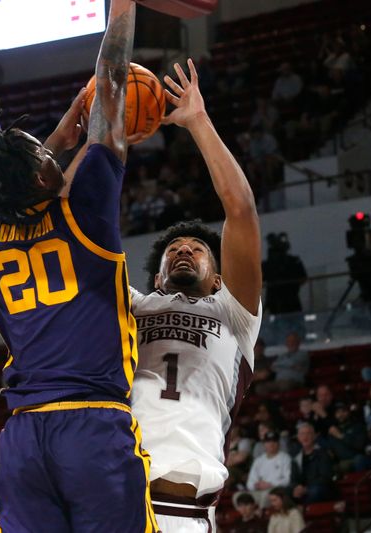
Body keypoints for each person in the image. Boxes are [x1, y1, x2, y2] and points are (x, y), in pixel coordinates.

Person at [0, 0, 158, 530]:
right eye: (45, 155)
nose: (54, 151)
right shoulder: (84, 205)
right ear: (44, 176)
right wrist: (122, 9)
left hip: (23, 439)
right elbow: (112, 79)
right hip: (92, 427)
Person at [129, 56, 262, 531]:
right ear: (158, 278)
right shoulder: (135, 305)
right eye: (173, 250)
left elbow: (241, 211)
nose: (184, 251)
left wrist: (198, 121)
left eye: (197, 248)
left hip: (180, 510)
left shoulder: (236, 314)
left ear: (219, 278)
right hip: (111, 498)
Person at [262, 232, 307, 316]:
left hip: (290, 302)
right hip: (278, 303)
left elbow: (303, 278)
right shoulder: (268, 265)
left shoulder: (293, 262)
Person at [290, 422, 336, 503]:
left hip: (320, 488)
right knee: (284, 492)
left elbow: (325, 477)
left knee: (314, 491)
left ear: (314, 436)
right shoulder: (296, 457)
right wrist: (297, 487)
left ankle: (302, 510)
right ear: (298, 437)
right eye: (302, 434)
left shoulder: (323, 453)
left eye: (308, 433)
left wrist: (306, 488)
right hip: (303, 489)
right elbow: (293, 479)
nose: (305, 437)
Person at [246, 432, 291, 506]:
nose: (271, 444)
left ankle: (261, 515)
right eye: (268, 441)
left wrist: (270, 484)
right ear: (264, 444)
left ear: (278, 443)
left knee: (265, 496)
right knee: (238, 496)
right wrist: (256, 485)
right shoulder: (259, 460)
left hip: (275, 491)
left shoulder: (285, 458)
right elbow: (250, 483)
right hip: (258, 491)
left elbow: (288, 480)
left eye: (274, 441)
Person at [324, 401, 367, 472]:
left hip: (355, 459)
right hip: (340, 462)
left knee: (359, 459)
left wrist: (341, 436)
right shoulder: (333, 430)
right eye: (338, 412)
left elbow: (359, 445)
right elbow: (330, 450)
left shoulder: (358, 426)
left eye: (343, 411)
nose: (340, 415)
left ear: (349, 412)